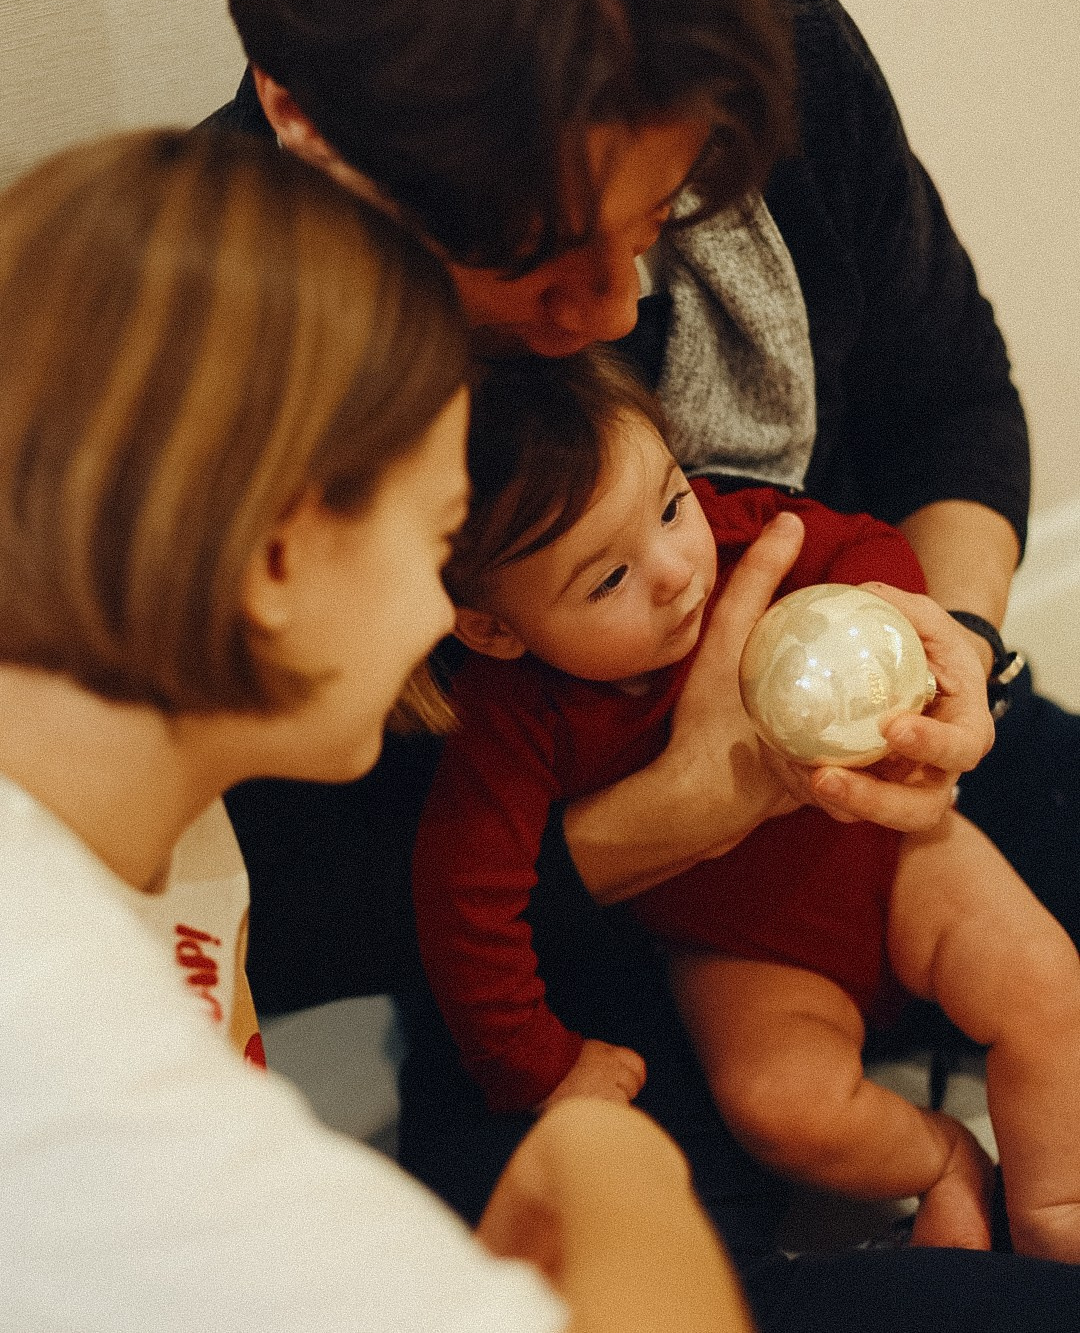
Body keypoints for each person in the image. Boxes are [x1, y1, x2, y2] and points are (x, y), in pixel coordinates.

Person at [204, 0, 1080, 1325]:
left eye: (661, 218)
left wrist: (945, 649)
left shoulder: (783, 68)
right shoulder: (219, 350)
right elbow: (299, 891)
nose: (611, 304)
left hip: (885, 772)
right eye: (536, 258)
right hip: (550, 919)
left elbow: (957, 399)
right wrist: (683, 811)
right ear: (307, 126)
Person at [0, 126, 757, 1333]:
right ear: (278, 558)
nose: (437, 621)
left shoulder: (147, 822)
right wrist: (612, 1164)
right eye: (437, 531)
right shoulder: (73, 1067)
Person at [413, 348, 1080, 1261]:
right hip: (744, 944)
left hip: (890, 855)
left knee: (1043, 980)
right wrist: (542, 1063)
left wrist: (884, 621)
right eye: (607, 580)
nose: (676, 569)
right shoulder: (508, 726)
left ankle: (1054, 1214)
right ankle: (944, 1158)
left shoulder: (747, 538)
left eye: (670, 504)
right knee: (781, 1110)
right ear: (493, 629)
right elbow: (460, 908)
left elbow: (866, 544)